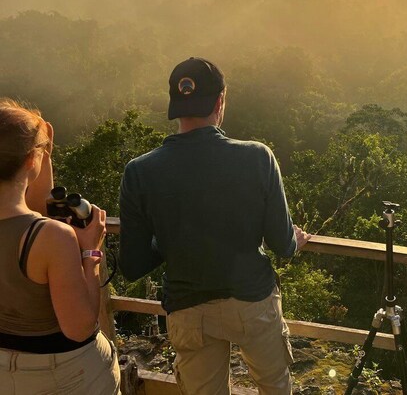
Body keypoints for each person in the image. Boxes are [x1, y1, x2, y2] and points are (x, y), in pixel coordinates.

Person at [119, 57, 311, 395]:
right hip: (252, 303)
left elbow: (133, 266)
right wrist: (296, 240)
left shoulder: (140, 171)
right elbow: (282, 244)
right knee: (276, 388)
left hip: (188, 310)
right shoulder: (257, 157)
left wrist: (172, 237)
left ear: (175, 106)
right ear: (220, 101)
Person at [0, 99, 120, 394]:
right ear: (31, 160)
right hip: (66, 375)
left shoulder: (38, 234)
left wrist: (44, 153)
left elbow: (35, 208)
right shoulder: (52, 237)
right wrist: (90, 252)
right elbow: (78, 328)